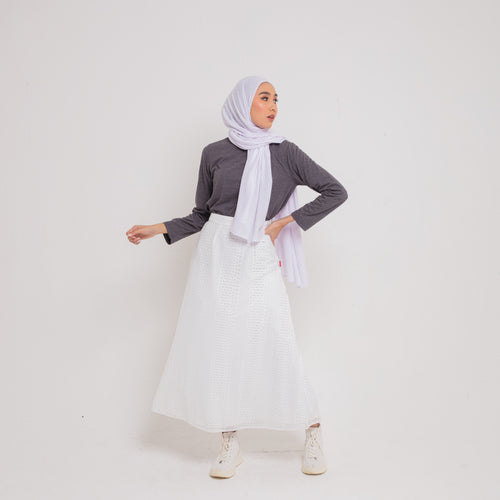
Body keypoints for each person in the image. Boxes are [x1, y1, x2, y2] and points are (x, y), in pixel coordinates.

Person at [126, 75, 348, 479]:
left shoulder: (284, 152)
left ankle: (312, 430)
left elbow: (335, 191)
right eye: (264, 97)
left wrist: (283, 224)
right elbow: (202, 214)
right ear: (242, 103)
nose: (273, 105)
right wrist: (158, 228)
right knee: (220, 346)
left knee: (276, 339)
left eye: (276, 99)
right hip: (215, 254)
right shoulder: (213, 153)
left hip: (256, 252)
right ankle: (229, 442)